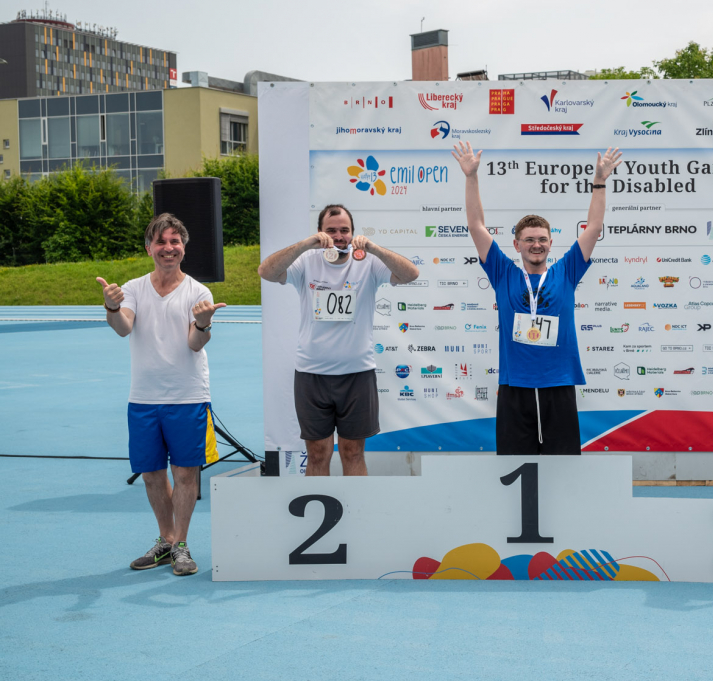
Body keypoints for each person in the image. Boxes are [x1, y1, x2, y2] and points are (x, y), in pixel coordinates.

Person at [453, 141, 621, 455]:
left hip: (558, 384)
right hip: (514, 385)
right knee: (515, 466)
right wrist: (471, 177)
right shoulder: (503, 273)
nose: (536, 244)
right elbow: (476, 226)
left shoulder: (566, 271)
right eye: (529, 239)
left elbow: (594, 227)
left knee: (563, 468)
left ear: (551, 243)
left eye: (542, 239)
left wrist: (600, 181)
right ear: (516, 245)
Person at [100, 213, 226, 576]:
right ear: (148, 248)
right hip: (143, 398)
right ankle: (166, 540)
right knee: (152, 474)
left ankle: (181, 545)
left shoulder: (198, 292)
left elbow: (195, 343)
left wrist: (203, 324)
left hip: (187, 397)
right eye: (161, 242)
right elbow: (123, 327)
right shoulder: (134, 288)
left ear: (183, 247)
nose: (168, 248)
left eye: (175, 241)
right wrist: (111, 306)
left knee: (185, 474)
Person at [258, 204, 419, 476]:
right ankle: (318, 504)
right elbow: (266, 271)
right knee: (317, 454)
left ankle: (356, 505)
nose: (338, 236)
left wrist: (375, 249)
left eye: (344, 230)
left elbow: (411, 274)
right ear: (320, 232)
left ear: (353, 233)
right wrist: (305, 244)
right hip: (312, 374)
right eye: (331, 230)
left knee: (353, 452)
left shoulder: (367, 262)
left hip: (357, 374)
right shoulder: (306, 261)